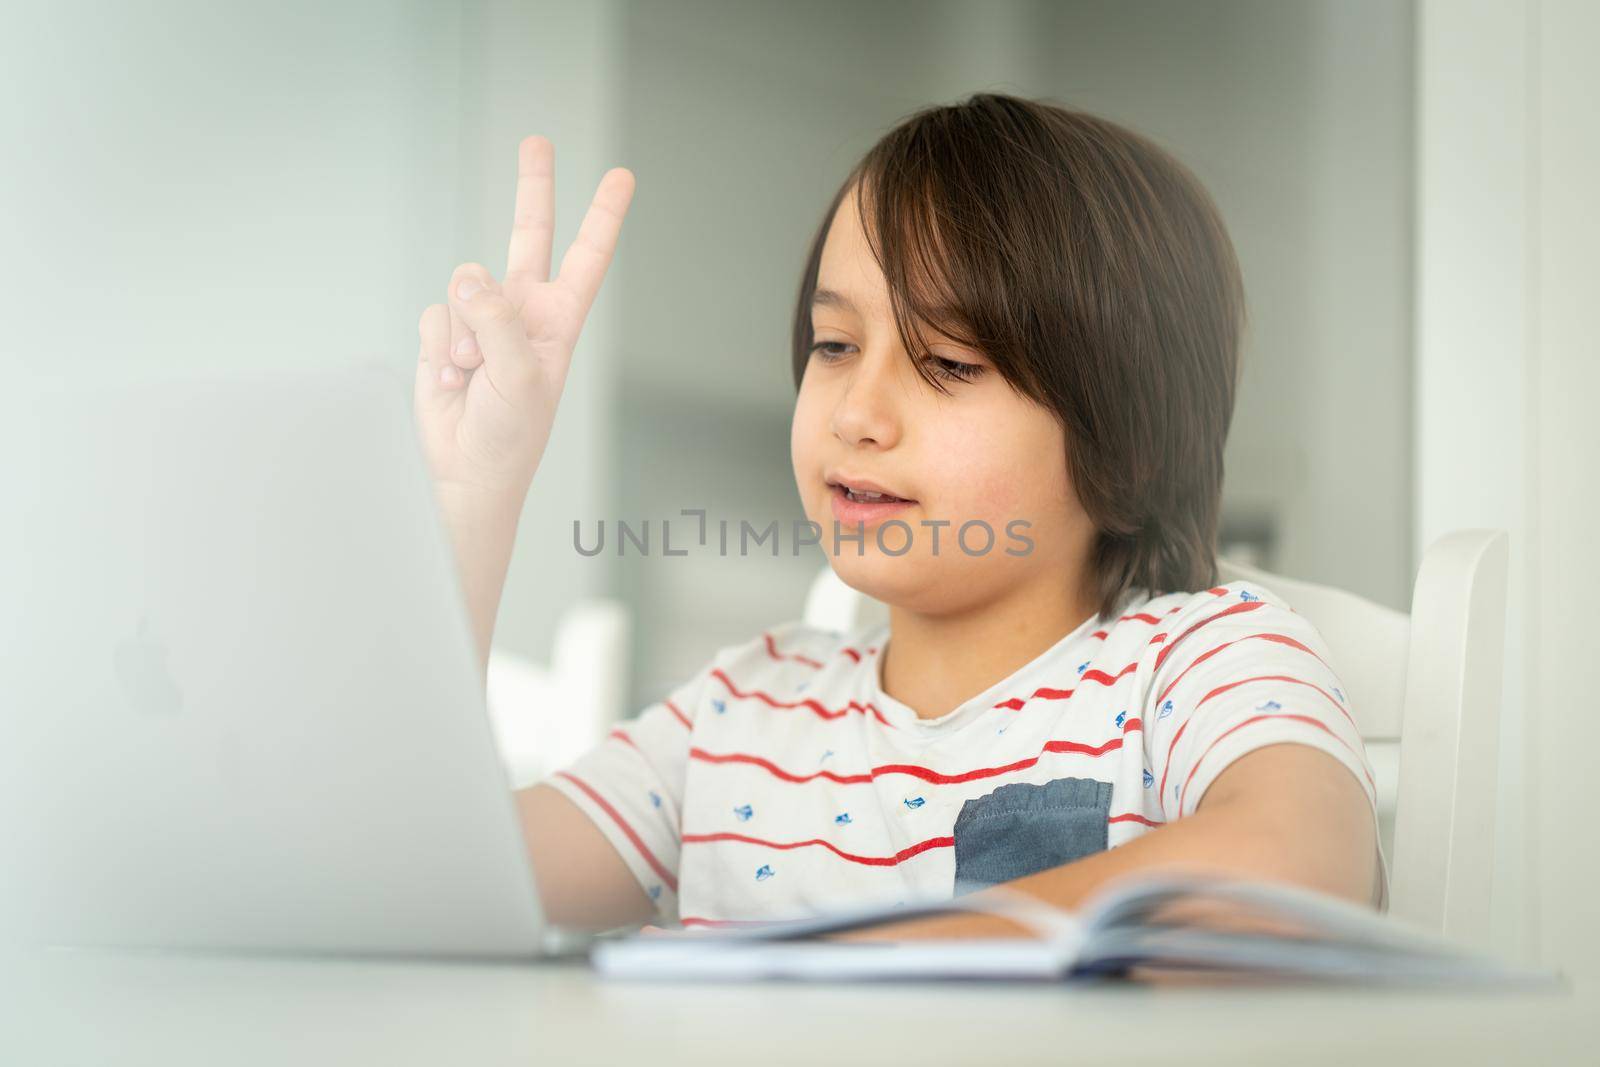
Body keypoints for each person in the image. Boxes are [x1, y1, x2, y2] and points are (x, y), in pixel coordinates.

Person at [412, 93, 1385, 941]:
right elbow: (424, 876)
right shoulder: (737, 715)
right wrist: (476, 491)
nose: (855, 412)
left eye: (950, 364)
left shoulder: (1196, 656)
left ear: (1125, 438)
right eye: (834, 344)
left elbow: (1302, 864)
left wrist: (861, 957)